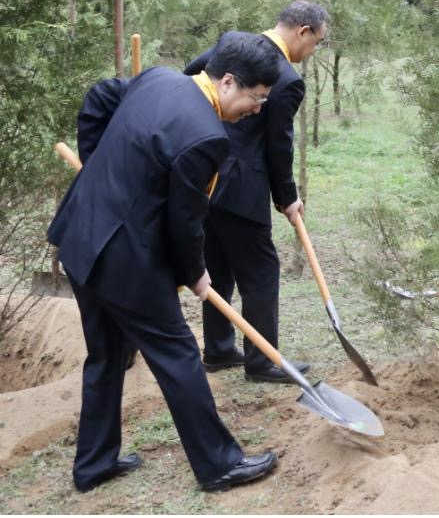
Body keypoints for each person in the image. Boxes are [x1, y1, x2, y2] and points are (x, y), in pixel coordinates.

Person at [47, 32, 282, 493]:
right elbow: (185, 222)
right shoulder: (207, 137)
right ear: (228, 81)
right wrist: (195, 273)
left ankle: (94, 464)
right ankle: (219, 465)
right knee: (177, 353)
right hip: (122, 259)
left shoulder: (157, 78)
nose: (257, 109)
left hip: (80, 235)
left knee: (106, 353)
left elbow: (100, 96)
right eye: (256, 98)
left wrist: (97, 171)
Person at [184, 0, 329, 383]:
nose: (312, 52)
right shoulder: (286, 79)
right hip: (241, 186)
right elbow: (279, 146)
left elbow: (192, 73)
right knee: (261, 270)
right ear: (302, 31)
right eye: (315, 42)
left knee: (218, 264)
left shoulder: (235, 42)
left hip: (204, 174)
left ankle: (218, 350)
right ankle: (262, 361)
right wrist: (287, 198)